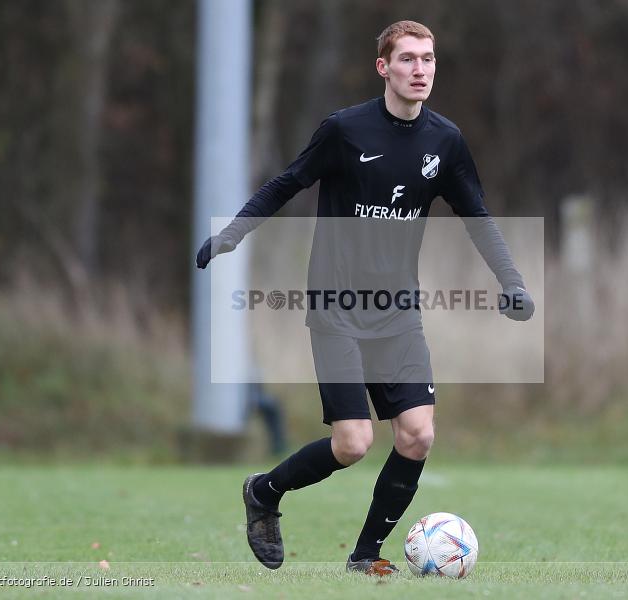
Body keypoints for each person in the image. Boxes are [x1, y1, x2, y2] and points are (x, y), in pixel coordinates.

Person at [195, 20, 533, 576]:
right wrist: (231, 234)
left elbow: (477, 218)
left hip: (398, 312)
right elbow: (286, 183)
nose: (420, 69)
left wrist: (513, 283)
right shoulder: (344, 131)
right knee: (352, 443)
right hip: (336, 309)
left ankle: (363, 555)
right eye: (407, 59)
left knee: (418, 435)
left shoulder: (444, 141)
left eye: (428, 59)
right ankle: (264, 492)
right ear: (384, 67)